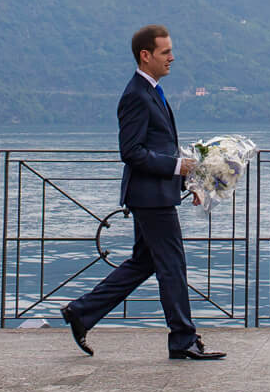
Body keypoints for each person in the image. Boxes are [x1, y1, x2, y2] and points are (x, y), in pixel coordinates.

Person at [62, 24, 225, 360]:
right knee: (173, 265)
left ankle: (81, 311)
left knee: (144, 262)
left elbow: (159, 147)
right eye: (165, 52)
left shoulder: (152, 91)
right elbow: (132, 151)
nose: (172, 57)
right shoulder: (135, 95)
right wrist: (176, 168)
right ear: (145, 55)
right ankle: (183, 339)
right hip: (150, 198)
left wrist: (188, 181)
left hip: (156, 194)